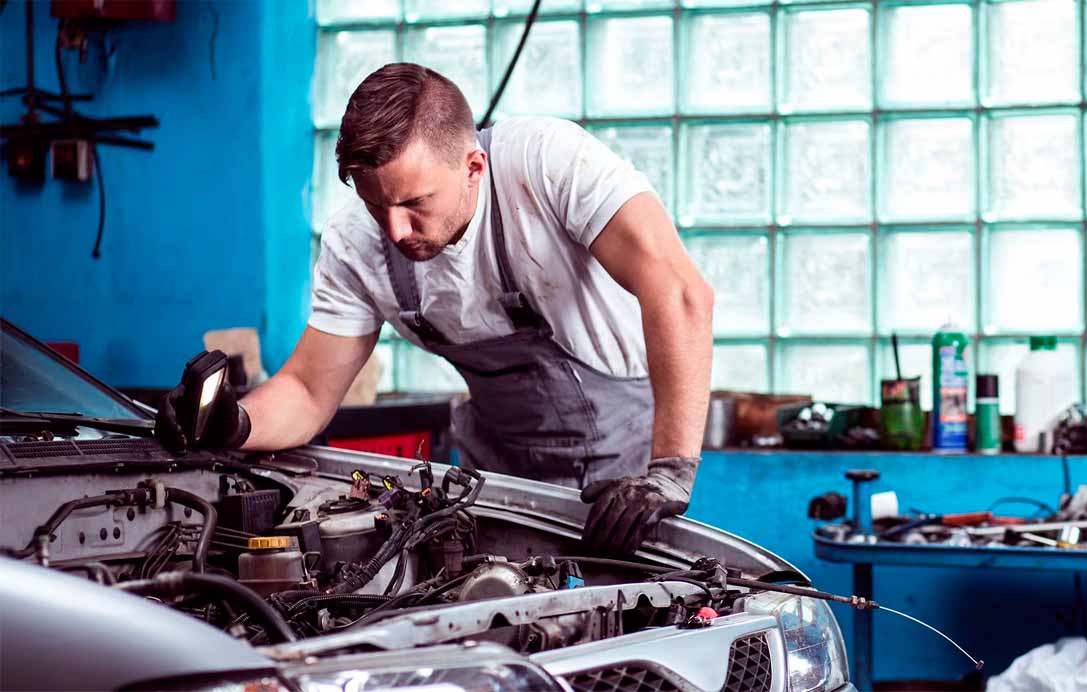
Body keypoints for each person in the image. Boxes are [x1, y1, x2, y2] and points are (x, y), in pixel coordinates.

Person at [155, 63, 714, 556]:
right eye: (376, 204)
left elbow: (678, 291)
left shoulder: (547, 163)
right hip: (498, 472)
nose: (396, 229)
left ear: (474, 167)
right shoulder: (356, 243)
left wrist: (669, 470)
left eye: (414, 203)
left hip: (624, 478)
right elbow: (307, 390)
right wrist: (237, 422)